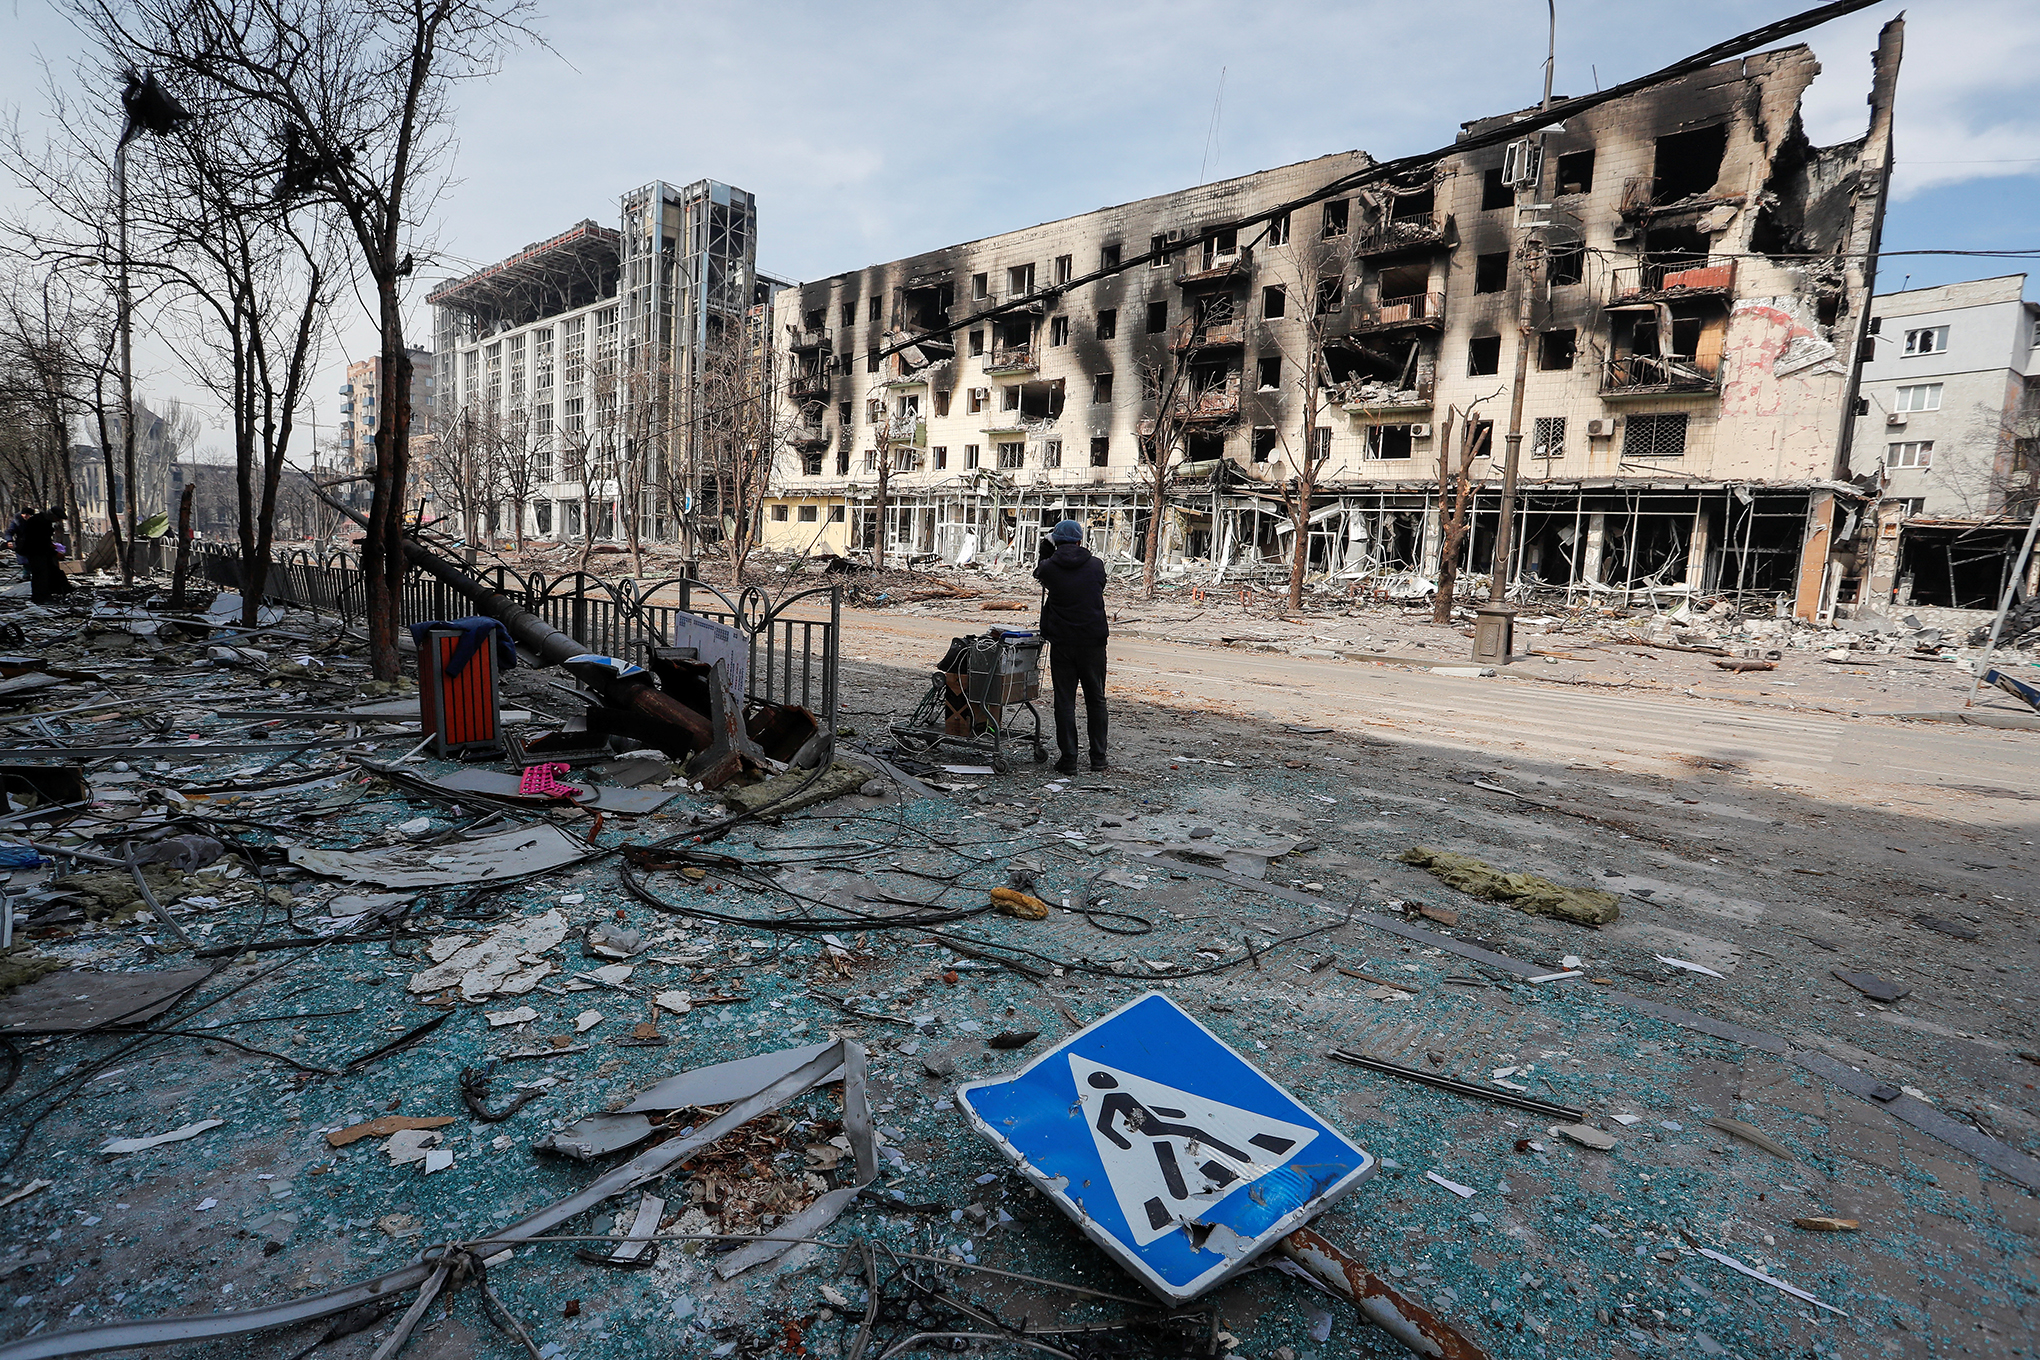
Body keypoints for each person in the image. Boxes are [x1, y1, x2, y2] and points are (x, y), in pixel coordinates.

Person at [1033, 518, 1108, 774]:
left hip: (1063, 642)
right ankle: (1098, 758)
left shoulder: (1050, 568)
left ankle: (1070, 760)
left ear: (1057, 541)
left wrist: (1046, 551)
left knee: (1065, 701)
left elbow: (1039, 574)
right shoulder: (1096, 566)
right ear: (1079, 540)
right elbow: (1098, 586)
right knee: (1096, 700)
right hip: (1093, 641)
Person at [15, 507, 68, 602]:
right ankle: (40, 597)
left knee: (47, 572)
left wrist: (50, 545)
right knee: (40, 575)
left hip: (37, 551)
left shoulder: (40, 520)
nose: (58, 521)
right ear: (52, 516)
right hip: (35, 552)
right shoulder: (40, 523)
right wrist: (55, 553)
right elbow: (40, 542)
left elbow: (43, 540)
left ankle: (51, 592)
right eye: (57, 518)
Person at [5, 506, 34, 581]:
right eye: (24, 514)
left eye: (27, 515)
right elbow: (9, 532)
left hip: (34, 543)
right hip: (22, 544)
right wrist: (9, 540)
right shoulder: (17, 521)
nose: (25, 516)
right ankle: (26, 575)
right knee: (25, 562)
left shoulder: (35, 521)